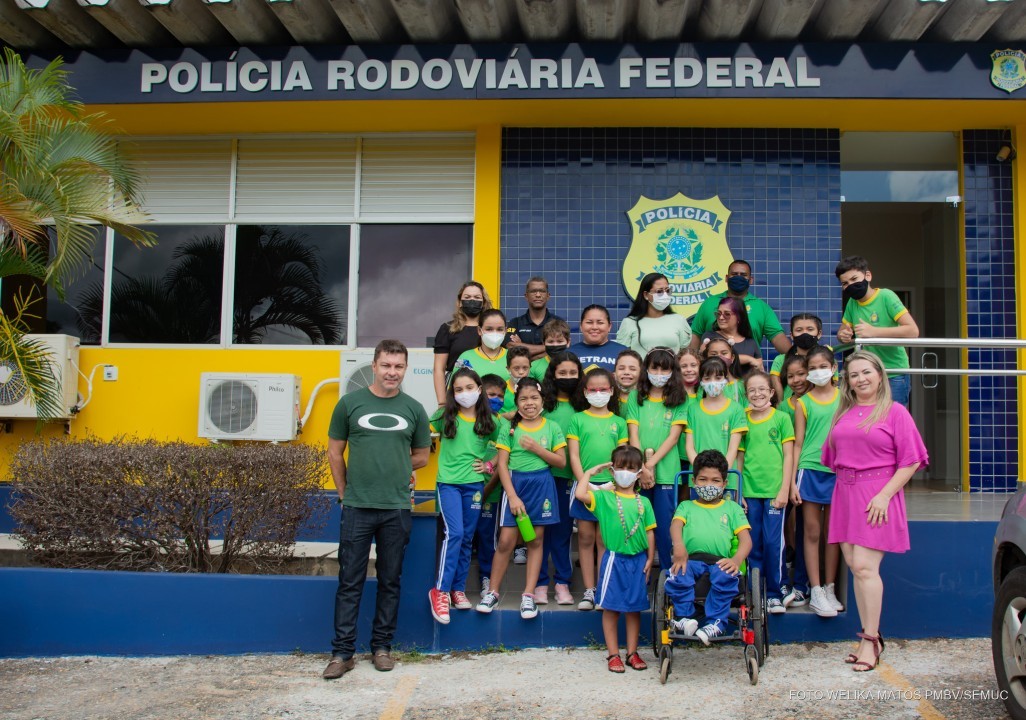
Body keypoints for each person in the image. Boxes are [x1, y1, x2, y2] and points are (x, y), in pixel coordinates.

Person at [324, 339, 431, 680]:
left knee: (390, 581)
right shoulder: (349, 404)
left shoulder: (414, 409)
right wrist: (344, 493)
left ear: (405, 369)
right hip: (356, 507)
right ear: (374, 365)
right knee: (349, 581)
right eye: (386, 365)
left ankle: (382, 648)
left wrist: (397, 465)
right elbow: (334, 452)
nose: (392, 372)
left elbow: (422, 456)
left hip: (396, 508)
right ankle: (342, 653)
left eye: (398, 366)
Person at [823, 350, 927, 672]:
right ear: (848, 382)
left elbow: (911, 461)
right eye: (854, 375)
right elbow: (831, 456)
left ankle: (870, 642)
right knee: (856, 567)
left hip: (877, 495)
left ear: (880, 375)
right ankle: (870, 636)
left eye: (866, 372)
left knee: (866, 568)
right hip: (845, 494)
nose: (860, 379)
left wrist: (884, 496)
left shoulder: (895, 412)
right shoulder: (843, 413)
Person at [476, 378, 567, 620]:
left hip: (542, 485)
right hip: (515, 485)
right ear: (516, 403)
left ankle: (528, 595)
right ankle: (493, 592)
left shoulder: (552, 427)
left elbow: (561, 461)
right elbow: (502, 466)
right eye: (524, 399)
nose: (529, 403)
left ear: (543, 400)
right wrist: (513, 496)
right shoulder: (509, 428)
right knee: (506, 540)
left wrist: (537, 449)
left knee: (535, 540)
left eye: (534, 398)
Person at [574, 446, 656, 673]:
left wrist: (650, 558)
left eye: (631, 468)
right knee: (610, 607)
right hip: (613, 559)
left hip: (638, 560)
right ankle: (613, 654)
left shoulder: (644, 503)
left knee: (634, 608)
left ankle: (632, 652)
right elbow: (581, 494)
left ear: (639, 473)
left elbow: (650, 532)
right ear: (612, 470)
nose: (625, 473)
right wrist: (589, 473)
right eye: (620, 467)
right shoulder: (604, 498)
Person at [428, 368, 498, 625]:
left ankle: (458, 589)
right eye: (458, 390)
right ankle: (441, 590)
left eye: (469, 388)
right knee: (454, 533)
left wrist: (489, 465)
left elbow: (503, 447)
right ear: (452, 393)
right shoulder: (444, 416)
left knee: (468, 537)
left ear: (479, 389)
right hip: (448, 484)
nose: (464, 393)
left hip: (474, 486)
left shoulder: (489, 419)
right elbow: (421, 433)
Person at [665, 450, 752, 645]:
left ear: (724, 483)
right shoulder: (686, 506)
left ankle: (715, 623)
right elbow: (676, 526)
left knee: (725, 576)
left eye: (715, 481)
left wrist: (736, 560)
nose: (708, 485)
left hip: (719, 561)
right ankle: (685, 619)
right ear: (694, 481)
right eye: (703, 480)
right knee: (678, 573)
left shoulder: (732, 509)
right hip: (691, 559)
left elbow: (746, 541)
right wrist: (679, 546)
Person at [567, 368, 628, 610]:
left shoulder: (619, 422)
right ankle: (589, 591)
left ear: (612, 391)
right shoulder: (577, 419)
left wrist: (614, 483)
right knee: (585, 537)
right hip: (585, 486)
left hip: (611, 487)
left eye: (604, 389)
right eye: (593, 389)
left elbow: (622, 457)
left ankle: (603, 589)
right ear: (585, 392)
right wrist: (585, 481)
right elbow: (573, 454)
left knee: (604, 538)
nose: (599, 393)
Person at [737, 371, 794, 615]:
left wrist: (784, 489)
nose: (757, 394)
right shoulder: (743, 418)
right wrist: (739, 492)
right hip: (750, 492)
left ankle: (775, 591)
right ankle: (755, 592)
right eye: (752, 390)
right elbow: (739, 456)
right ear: (746, 394)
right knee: (754, 542)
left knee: (773, 542)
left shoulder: (781, 419)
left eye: (762, 389)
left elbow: (789, 456)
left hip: (774, 493)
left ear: (771, 392)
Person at [626, 347, 688, 573]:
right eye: (655, 368)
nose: (659, 373)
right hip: (637, 473)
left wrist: (650, 466)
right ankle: (640, 573)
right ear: (647, 369)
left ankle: (666, 576)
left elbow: (673, 438)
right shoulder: (636, 397)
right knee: (639, 524)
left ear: (673, 372)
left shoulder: (680, 399)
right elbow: (633, 434)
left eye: (665, 369)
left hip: (666, 473)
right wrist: (640, 468)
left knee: (664, 527)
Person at [792, 345, 842, 618]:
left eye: (823, 366)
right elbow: (798, 443)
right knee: (811, 532)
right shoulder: (804, 402)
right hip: (810, 470)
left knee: (832, 534)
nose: (818, 372)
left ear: (834, 369)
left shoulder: (845, 397)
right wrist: (792, 482)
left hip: (838, 471)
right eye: (812, 368)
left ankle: (830, 587)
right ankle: (815, 590)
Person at [835, 256, 920, 408]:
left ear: (867, 275)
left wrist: (874, 331)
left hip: (893, 372)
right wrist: (843, 334)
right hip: (867, 374)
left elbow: (912, 330)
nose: (851, 285)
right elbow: (843, 330)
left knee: (893, 420)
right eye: (845, 283)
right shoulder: (852, 304)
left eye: (854, 279)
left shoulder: (886, 296)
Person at [536, 351, 586, 606]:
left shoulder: (584, 404)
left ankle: (563, 583)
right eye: (562, 373)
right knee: (541, 532)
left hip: (570, 478)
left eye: (572, 373)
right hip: (544, 477)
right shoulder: (544, 404)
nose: (567, 377)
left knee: (563, 533)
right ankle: (540, 583)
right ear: (552, 375)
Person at [689, 260, 791, 355]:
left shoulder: (761, 307)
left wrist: (796, 359)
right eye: (734, 274)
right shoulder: (709, 303)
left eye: (743, 275)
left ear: (750, 280)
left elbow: (778, 338)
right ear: (726, 278)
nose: (738, 277)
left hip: (749, 370)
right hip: (715, 370)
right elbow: (695, 336)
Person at [684, 357, 748, 493]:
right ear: (701, 381)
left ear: (726, 379)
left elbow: (733, 449)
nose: (713, 383)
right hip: (698, 480)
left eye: (718, 378)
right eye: (707, 378)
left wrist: (720, 476)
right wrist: (701, 473)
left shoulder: (736, 409)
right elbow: (690, 447)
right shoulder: (693, 409)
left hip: (726, 480)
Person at [433, 281, 494, 406]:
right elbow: (439, 368)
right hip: (458, 392)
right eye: (467, 297)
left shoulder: (492, 329)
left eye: (477, 297)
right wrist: (442, 402)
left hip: (488, 391)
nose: (472, 300)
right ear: (460, 302)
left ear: (483, 302)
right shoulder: (447, 328)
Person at [476, 374, 508, 597]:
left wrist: (488, 489)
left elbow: (502, 460)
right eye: (491, 395)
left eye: (500, 396)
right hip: (467, 489)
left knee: (488, 536)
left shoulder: (503, 425)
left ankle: (486, 577)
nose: (496, 399)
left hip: (492, 493)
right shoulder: (471, 420)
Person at [616, 272, 692, 355]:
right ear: (646, 295)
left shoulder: (679, 320)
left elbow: (684, 354)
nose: (665, 295)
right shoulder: (630, 322)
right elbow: (621, 355)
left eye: (668, 290)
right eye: (659, 291)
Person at [699, 296, 763, 376]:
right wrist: (749, 359)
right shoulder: (709, 337)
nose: (721, 318)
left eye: (727, 314)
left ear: (739, 317)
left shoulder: (751, 342)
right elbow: (712, 359)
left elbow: (760, 369)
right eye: (718, 314)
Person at [770, 313, 825, 401]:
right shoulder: (780, 360)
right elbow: (778, 396)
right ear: (792, 335)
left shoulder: (827, 360)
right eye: (799, 330)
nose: (805, 333)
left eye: (810, 329)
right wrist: (782, 409)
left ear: (819, 333)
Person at [506, 277, 562, 359]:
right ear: (526, 296)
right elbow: (511, 346)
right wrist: (551, 348)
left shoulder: (558, 322)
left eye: (542, 291)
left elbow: (562, 349)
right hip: (523, 371)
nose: (538, 295)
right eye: (533, 291)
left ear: (548, 296)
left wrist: (521, 346)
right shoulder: (515, 322)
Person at [569, 305, 629, 373]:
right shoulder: (569, 353)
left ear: (609, 326)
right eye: (589, 322)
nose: (594, 327)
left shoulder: (624, 352)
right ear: (581, 326)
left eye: (600, 323)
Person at [455, 309, 509, 382]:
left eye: (500, 329)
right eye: (489, 329)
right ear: (479, 330)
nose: (495, 333)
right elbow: (454, 388)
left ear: (505, 331)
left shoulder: (513, 357)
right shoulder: (465, 358)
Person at [702, 336, 749, 406]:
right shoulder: (703, 386)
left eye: (724, 353)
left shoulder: (742, 385)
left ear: (732, 358)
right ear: (706, 358)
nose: (719, 357)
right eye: (714, 354)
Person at [500, 345, 533, 415]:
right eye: (516, 368)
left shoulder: (537, 389)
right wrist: (507, 416)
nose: (521, 372)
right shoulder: (501, 390)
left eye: (525, 368)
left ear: (530, 367)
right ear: (508, 368)